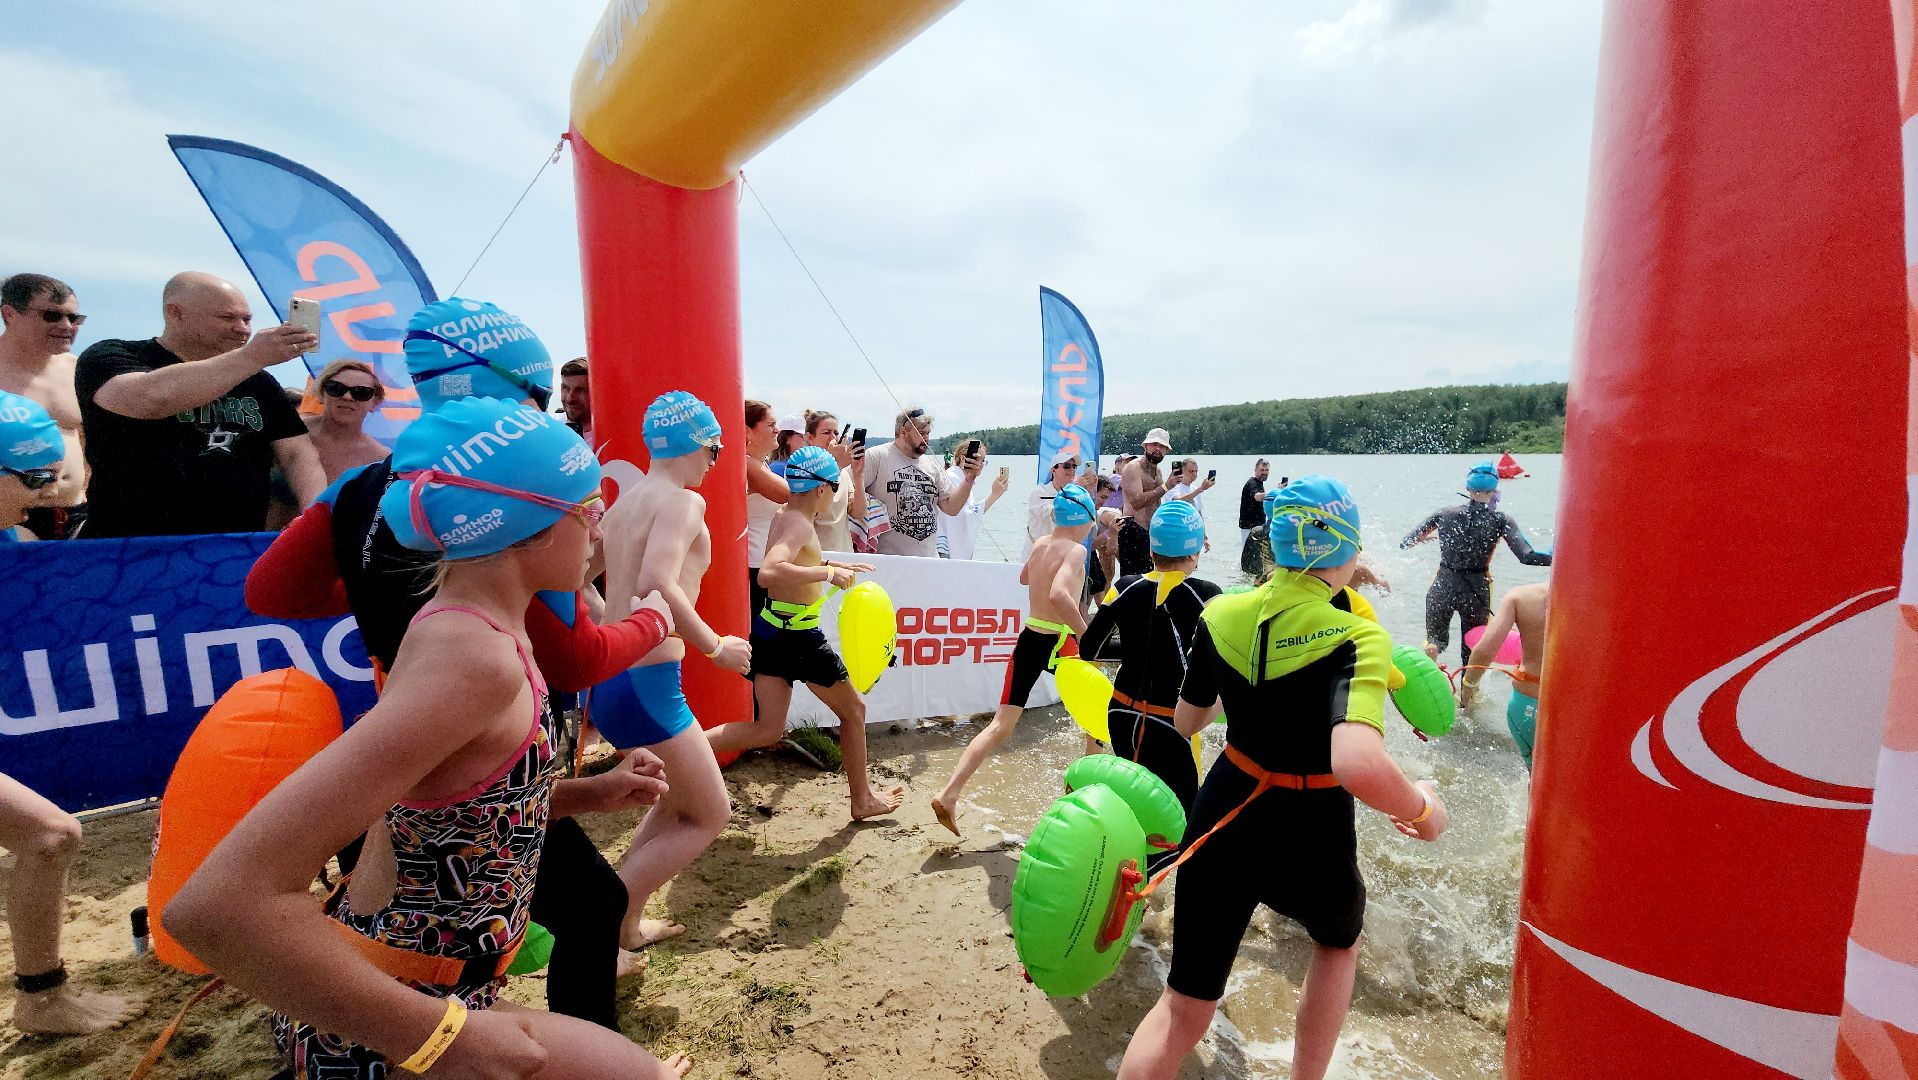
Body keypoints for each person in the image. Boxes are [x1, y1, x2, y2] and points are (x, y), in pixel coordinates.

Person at [166, 397, 692, 1078]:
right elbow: (214, 906)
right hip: (395, 1017)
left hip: (433, 989)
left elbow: (447, 812)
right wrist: (443, 1040)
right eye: (589, 509)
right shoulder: (474, 658)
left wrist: (591, 793)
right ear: (525, 526)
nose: (599, 530)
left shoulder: (470, 626)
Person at [245, 299, 678, 1028]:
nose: (593, 526)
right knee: (575, 908)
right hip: (460, 762)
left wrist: (388, 587)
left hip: (409, 752)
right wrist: (654, 621)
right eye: (585, 513)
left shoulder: (373, 486)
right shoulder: (512, 519)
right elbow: (575, 659)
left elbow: (271, 591)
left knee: (410, 926)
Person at [1117, 476, 1449, 1080]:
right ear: (1347, 550)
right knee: (1337, 945)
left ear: (1274, 545)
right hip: (1311, 826)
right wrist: (1423, 809)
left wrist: (1251, 689)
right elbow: (1357, 761)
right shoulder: (1359, 636)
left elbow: (1188, 720)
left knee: (1183, 1006)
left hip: (1224, 811)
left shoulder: (1222, 611)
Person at [591, 390, 747, 951]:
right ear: (695, 444)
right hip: (647, 683)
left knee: (675, 800)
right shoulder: (682, 501)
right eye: (716, 449)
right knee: (710, 814)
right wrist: (715, 647)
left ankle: (624, 925)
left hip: (615, 677)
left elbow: (578, 577)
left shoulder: (625, 504)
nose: (715, 462)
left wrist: (607, 625)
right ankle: (599, 931)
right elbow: (656, 579)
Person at [703, 446, 906, 819]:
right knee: (855, 710)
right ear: (821, 488)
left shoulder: (785, 513)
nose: (835, 495)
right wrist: (826, 572)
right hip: (798, 638)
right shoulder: (798, 522)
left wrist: (828, 562)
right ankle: (862, 800)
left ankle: (683, 752)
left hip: (771, 630)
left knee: (767, 729)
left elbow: (795, 558)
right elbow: (769, 572)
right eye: (835, 487)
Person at [74, 272, 324, 537]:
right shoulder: (112, 355)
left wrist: (314, 515)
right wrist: (252, 357)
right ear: (175, 313)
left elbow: (298, 454)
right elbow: (149, 399)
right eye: (227, 318)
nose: (242, 328)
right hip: (130, 542)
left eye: (247, 319)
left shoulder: (259, 380)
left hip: (233, 544)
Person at [931, 484, 1098, 836]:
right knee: (1095, 717)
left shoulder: (1041, 544)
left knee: (1000, 724)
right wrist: (1087, 634)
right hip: (1060, 641)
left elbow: (1024, 577)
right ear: (1083, 520)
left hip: (1030, 638)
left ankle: (949, 794)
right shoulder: (1076, 551)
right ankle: (1083, 796)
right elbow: (1059, 594)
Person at [1082, 500, 1220, 829]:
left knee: (1134, 808)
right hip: (1170, 724)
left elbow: (1090, 649)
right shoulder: (1208, 595)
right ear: (1196, 551)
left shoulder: (1124, 586)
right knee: (1182, 820)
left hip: (1122, 715)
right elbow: (1222, 662)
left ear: (1152, 548)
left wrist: (1137, 648)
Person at [1400, 461, 1552, 664]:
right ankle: (1468, 685)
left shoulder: (1444, 514)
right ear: (1494, 490)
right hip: (1476, 590)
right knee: (1473, 646)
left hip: (1443, 585)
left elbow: (1405, 543)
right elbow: (1527, 556)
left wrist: (1421, 539)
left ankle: (1430, 666)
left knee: (1434, 641)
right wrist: (1558, 556)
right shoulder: (1500, 520)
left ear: (1467, 488)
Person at [0, 274, 88, 539]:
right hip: (11, 516)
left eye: (74, 318)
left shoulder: (80, 370)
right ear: (10, 314)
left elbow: (90, 441)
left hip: (75, 510)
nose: (67, 326)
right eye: (52, 316)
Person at [861, 406, 980, 556]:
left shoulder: (932, 464)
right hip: (886, 560)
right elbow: (848, 490)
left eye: (928, 433)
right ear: (903, 432)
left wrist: (968, 480)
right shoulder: (877, 456)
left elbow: (951, 508)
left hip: (927, 560)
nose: (926, 438)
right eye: (921, 433)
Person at [1458, 580, 1551, 769]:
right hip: (1575, 711)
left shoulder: (1521, 597)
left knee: (1535, 776)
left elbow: (1484, 651)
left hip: (1525, 705)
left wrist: (1467, 691)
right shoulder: (1601, 600)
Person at [305, 359, 389, 482]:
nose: (347, 397)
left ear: (374, 402)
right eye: (336, 388)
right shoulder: (291, 432)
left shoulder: (380, 459)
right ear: (321, 393)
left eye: (361, 392)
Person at [743, 401, 790, 617]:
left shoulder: (759, 463)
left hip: (759, 564)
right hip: (752, 567)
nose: (777, 430)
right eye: (771, 425)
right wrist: (834, 462)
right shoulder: (747, 464)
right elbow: (793, 497)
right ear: (747, 432)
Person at [1118, 429, 1174, 577]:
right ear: (1146, 446)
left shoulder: (1158, 472)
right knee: (1133, 582)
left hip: (1152, 532)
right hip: (1132, 529)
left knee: (1153, 580)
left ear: (1167, 450)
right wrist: (1166, 486)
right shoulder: (1133, 467)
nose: (1158, 449)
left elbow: (1159, 500)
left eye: (1162, 446)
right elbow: (1136, 502)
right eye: (1154, 444)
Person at [805, 410, 862, 553]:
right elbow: (810, 511)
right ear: (810, 438)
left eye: (836, 433)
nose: (833, 438)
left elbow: (859, 513)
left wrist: (858, 475)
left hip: (844, 553)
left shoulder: (843, 473)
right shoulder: (802, 469)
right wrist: (837, 465)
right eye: (826, 432)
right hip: (817, 555)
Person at [938, 451, 1009, 560]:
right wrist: (994, 495)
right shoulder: (953, 478)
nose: (981, 464)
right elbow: (963, 515)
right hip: (946, 548)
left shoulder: (959, 477)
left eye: (983, 461)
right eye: (979, 459)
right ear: (963, 459)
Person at [1024, 448, 1080, 556]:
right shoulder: (1039, 492)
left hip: (1060, 553)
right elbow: (1057, 515)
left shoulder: (1075, 495)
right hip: (1036, 554)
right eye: (1067, 466)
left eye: (1074, 466)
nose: (1072, 469)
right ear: (1053, 470)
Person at [1238, 458, 1270, 549]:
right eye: (1262, 470)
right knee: (1248, 554)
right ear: (1255, 470)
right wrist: (1275, 494)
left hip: (1257, 526)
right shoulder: (1253, 483)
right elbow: (1257, 496)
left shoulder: (1259, 483)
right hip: (1249, 527)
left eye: (1266, 470)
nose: (1264, 472)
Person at [560, 356, 592, 446]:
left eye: (580, 390)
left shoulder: (614, 437)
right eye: (565, 388)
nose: (570, 398)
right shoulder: (550, 427)